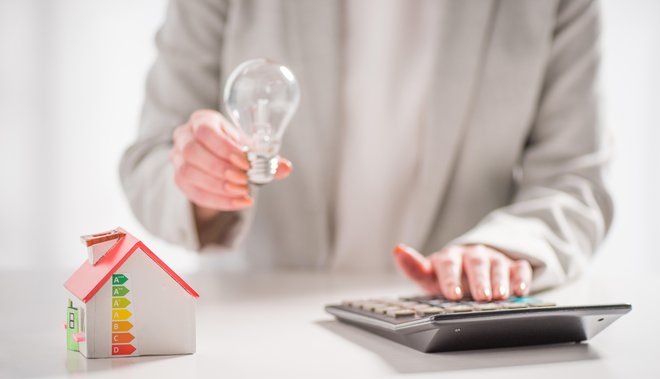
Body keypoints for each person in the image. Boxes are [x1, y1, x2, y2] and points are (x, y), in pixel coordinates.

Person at [120, 0, 612, 302]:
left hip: (453, 335)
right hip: (256, 321)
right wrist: (204, 179)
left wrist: (503, 249)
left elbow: (576, 178)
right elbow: (149, 162)